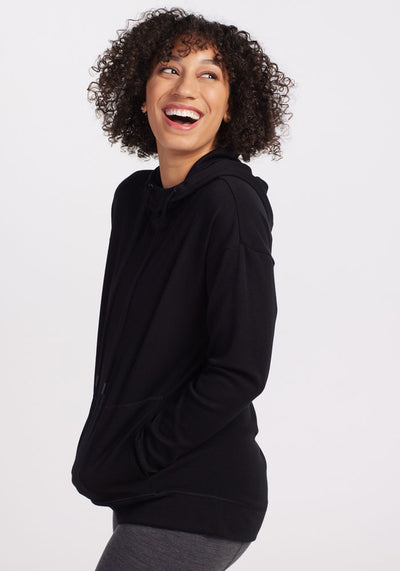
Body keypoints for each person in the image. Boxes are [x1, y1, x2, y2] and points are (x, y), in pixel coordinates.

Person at [71, 7, 294, 570]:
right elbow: (128, 353)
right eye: (169, 69)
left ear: (231, 105)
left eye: (209, 74)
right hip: (143, 489)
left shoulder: (230, 203)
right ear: (143, 93)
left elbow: (239, 368)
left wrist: (138, 456)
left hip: (200, 491)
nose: (186, 88)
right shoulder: (134, 201)